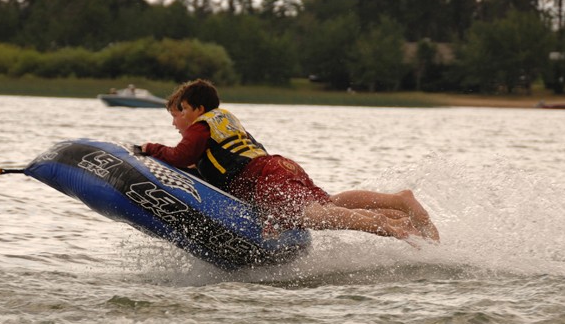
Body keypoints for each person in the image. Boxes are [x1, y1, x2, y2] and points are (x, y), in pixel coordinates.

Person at [140, 79, 439, 242]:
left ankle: (385, 226)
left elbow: (181, 156)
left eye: (177, 114)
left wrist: (152, 148)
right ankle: (397, 206)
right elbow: (223, 161)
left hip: (265, 177)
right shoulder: (226, 121)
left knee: (315, 217)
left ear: (195, 108)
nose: (175, 123)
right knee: (328, 204)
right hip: (280, 166)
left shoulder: (200, 126)